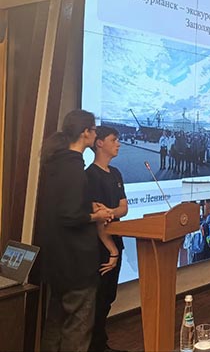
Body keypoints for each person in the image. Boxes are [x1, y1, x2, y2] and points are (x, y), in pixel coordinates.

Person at [37, 109, 113, 352]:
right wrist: (96, 215)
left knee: (55, 324)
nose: (96, 134)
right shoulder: (73, 168)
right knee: (78, 330)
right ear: (85, 133)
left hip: (57, 262)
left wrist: (88, 205)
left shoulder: (57, 163)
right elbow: (69, 216)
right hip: (76, 263)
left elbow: (62, 206)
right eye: (94, 130)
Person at [86, 126, 129, 352]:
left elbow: (123, 208)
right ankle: (95, 346)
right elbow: (98, 219)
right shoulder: (90, 175)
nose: (118, 144)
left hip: (116, 242)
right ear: (100, 143)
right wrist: (111, 251)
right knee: (99, 298)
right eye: (114, 140)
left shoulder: (116, 173)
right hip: (101, 247)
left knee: (108, 296)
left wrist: (110, 212)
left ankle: (101, 344)